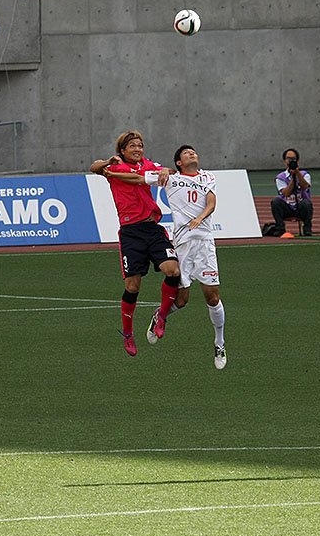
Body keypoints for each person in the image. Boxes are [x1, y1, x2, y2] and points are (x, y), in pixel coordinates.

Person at [90, 131, 182, 357]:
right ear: (122, 150)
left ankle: (161, 316)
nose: (137, 149)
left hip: (153, 229)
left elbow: (167, 171)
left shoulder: (147, 165)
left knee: (173, 270)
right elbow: (94, 167)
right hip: (131, 233)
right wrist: (108, 162)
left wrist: (164, 170)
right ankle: (128, 333)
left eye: (140, 145)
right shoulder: (115, 168)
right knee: (132, 287)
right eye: (132, 146)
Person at [147, 145, 227, 369]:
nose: (192, 153)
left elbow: (211, 203)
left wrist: (200, 218)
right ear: (179, 162)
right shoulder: (171, 179)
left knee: (212, 297)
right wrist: (162, 170)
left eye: (193, 151)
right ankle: (159, 315)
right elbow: (142, 175)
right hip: (182, 245)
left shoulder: (208, 177)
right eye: (186, 153)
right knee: (181, 301)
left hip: (205, 243)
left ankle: (219, 343)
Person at [269, 148, 313, 236]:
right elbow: (286, 193)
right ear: (284, 161)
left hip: (301, 207)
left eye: (293, 159)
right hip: (287, 207)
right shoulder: (280, 177)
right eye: (288, 159)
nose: (291, 161)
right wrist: (293, 178)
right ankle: (280, 228)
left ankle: (307, 229)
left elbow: (305, 186)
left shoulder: (305, 174)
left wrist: (297, 174)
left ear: (297, 160)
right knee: (276, 201)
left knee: (307, 203)